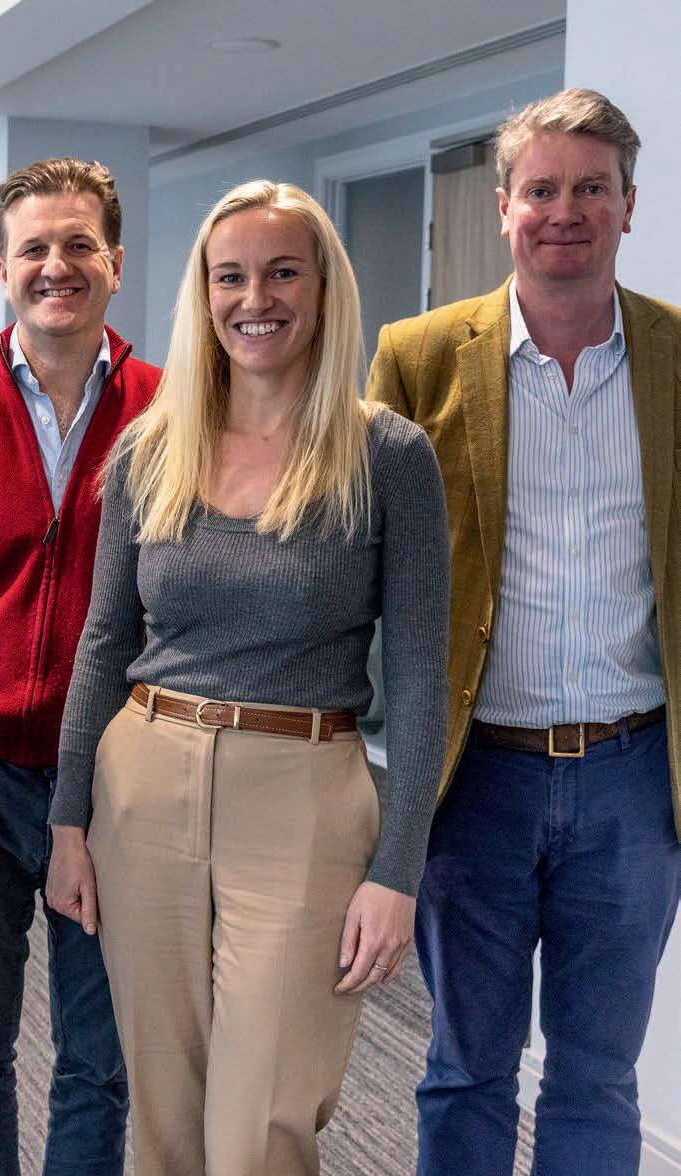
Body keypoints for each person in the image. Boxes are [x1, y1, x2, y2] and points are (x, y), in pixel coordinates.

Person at [48, 180, 450, 1176]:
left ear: (323, 289)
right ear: (203, 295)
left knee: (259, 1128)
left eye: (281, 273)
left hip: (303, 796)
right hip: (143, 786)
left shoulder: (387, 455)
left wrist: (398, 871)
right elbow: (104, 643)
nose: (254, 299)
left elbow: (420, 673)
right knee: (165, 1121)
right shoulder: (150, 448)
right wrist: (67, 823)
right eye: (229, 277)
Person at [367, 87, 681, 1176]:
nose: (565, 211)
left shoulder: (674, 354)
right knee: (467, 1065)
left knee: (598, 1075)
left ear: (629, 204)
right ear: (502, 206)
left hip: (631, 781)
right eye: (540, 189)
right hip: (475, 778)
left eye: (591, 187)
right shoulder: (417, 357)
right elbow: (368, 566)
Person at [0, 157, 161, 1175]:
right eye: (35, 248)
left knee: (100, 1059)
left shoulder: (171, 412)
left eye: (79, 244)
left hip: (117, 779)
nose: (57, 265)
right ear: (2, 269)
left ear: (116, 264)